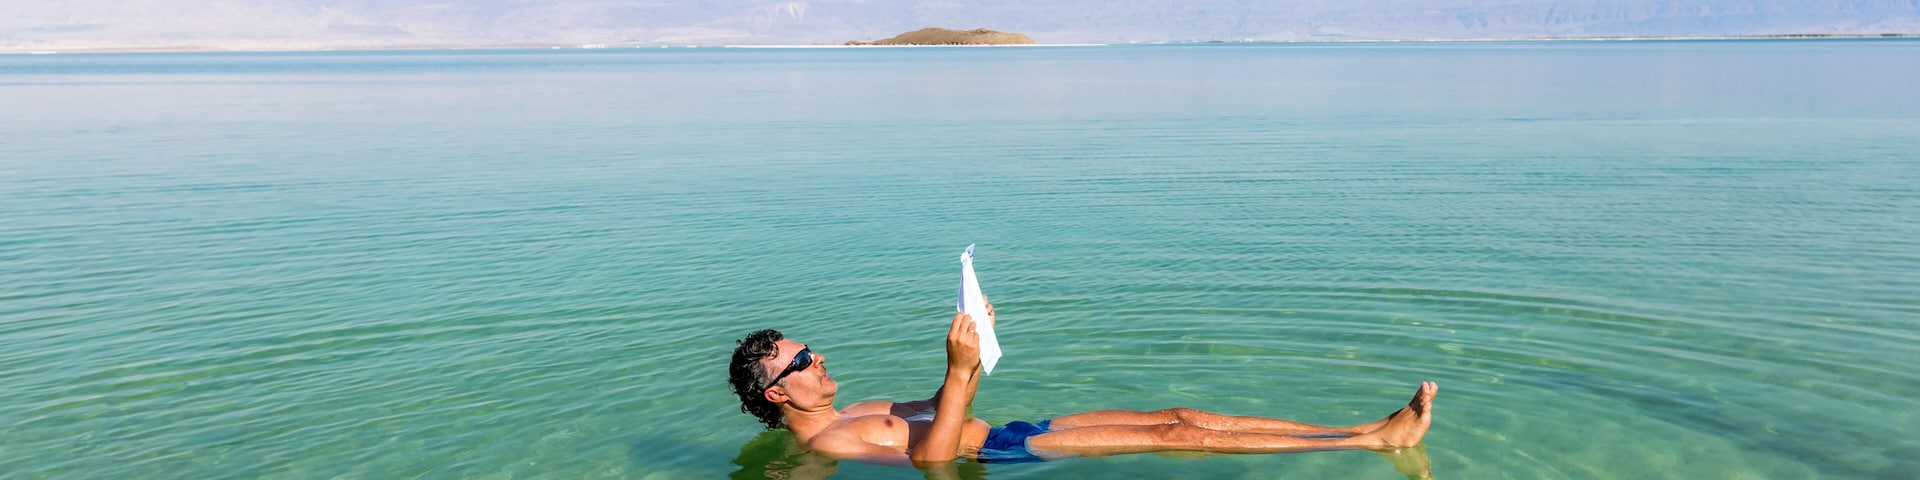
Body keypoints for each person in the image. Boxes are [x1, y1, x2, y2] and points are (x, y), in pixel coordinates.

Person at [726, 297, 1437, 468]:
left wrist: (976, 339)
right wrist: (957, 371)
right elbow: (934, 462)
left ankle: (1360, 430)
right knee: (1175, 436)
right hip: (998, 457)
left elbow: (944, 406)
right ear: (777, 394)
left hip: (1011, 429)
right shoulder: (833, 448)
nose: (816, 360)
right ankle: (1367, 444)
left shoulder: (863, 407)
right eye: (801, 362)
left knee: (1177, 411)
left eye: (810, 349)